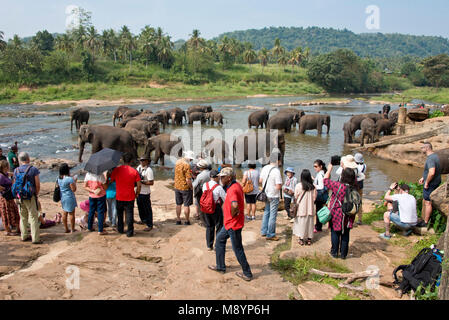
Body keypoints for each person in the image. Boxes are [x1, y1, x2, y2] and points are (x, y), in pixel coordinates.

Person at [208, 167, 253, 281]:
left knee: (237, 249)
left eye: (222, 177)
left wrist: (233, 215)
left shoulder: (232, 189)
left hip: (233, 224)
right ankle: (220, 266)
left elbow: (234, 205)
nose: (220, 179)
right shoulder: (235, 185)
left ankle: (247, 273)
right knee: (219, 240)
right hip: (229, 223)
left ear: (229, 178)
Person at [324, 163, 356, 259]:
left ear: (343, 176)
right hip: (349, 214)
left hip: (337, 213)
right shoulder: (354, 188)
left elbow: (325, 181)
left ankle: (334, 253)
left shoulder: (337, 186)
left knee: (335, 232)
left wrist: (329, 169)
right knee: (345, 233)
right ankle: (343, 254)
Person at [111, 153, 141, 237]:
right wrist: (137, 193)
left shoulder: (117, 170)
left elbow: (111, 180)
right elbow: (139, 185)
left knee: (120, 214)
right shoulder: (134, 171)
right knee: (129, 215)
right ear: (131, 161)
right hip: (130, 196)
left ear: (122, 160)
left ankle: (120, 230)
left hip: (119, 196)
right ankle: (129, 232)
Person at [15, 152, 41, 244]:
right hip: (30, 196)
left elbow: (15, 183)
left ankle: (24, 236)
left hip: (20, 197)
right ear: (28, 159)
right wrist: (36, 194)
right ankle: (35, 239)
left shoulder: (16, 170)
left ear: (20, 160)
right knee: (33, 217)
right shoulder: (33, 169)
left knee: (22, 217)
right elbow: (37, 184)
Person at [259, 153, 283, 241]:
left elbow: (260, 180)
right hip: (273, 195)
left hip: (266, 194)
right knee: (272, 215)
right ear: (277, 160)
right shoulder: (276, 171)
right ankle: (271, 234)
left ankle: (264, 231)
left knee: (266, 212)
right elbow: (278, 186)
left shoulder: (265, 168)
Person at [202, 170, 226, 250]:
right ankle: (217, 245)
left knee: (209, 226)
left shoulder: (205, 185)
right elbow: (225, 198)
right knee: (219, 226)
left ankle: (209, 245)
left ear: (210, 177)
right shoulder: (219, 187)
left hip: (206, 208)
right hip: (216, 207)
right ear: (216, 178)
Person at [418, 142, 441, 226]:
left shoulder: (430, 158)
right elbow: (429, 171)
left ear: (427, 148)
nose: (421, 149)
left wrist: (426, 182)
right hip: (435, 182)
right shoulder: (435, 156)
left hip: (431, 184)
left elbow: (432, 172)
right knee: (427, 201)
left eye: (422, 148)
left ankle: (425, 222)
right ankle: (424, 218)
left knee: (428, 202)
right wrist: (423, 177)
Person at [293, 169, 317, 246]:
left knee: (301, 223)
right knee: (310, 223)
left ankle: (301, 239)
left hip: (301, 208)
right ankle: (309, 239)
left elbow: (295, 196)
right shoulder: (313, 187)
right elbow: (314, 198)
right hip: (310, 208)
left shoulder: (299, 186)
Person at [84, 169, 108, 235]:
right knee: (100, 212)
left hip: (92, 196)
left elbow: (85, 186)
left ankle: (89, 227)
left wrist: (92, 190)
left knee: (91, 211)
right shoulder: (100, 175)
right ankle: (100, 230)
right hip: (101, 196)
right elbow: (105, 187)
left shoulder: (88, 175)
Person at [174, 151, 195, 225]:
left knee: (178, 204)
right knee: (186, 205)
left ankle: (178, 220)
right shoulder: (187, 165)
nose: (191, 161)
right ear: (189, 158)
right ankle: (187, 220)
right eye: (191, 159)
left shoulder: (177, 162)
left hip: (177, 186)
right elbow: (187, 179)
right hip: (185, 188)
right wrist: (191, 187)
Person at [0, 160, 20, 236]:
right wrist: (5, 189)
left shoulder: (5, 174)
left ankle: (16, 228)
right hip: (5, 198)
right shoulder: (1, 176)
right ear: (5, 167)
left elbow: (13, 174)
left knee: (14, 212)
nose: (9, 167)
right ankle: (8, 231)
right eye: (7, 166)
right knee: (7, 214)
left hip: (9, 197)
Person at [57, 163, 78, 233]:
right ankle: (72, 229)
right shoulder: (69, 179)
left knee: (64, 213)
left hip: (63, 197)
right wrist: (74, 181)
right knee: (71, 213)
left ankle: (66, 228)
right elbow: (74, 189)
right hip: (69, 197)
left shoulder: (59, 179)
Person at [136, 156, 154, 232]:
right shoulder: (138, 168)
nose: (142, 162)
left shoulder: (149, 170)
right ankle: (143, 220)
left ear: (147, 161)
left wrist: (142, 181)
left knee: (147, 209)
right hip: (138, 191)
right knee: (140, 207)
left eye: (143, 160)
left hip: (145, 192)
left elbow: (151, 182)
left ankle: (149, 224)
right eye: (141, 160)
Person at [192, 159, 211, 226]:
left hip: (201, 192)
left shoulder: (200, 175)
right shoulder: (210, 173)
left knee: (201, 207)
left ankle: (204, 222)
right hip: (209, 191)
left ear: (201, 167)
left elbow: (194, 185)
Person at [313, 159, 328, 233]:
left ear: (320, 166)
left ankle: (318, 227)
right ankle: (318, 226)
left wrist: (314, 185)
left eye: (316, 166)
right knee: (319, 211)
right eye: (314, 166)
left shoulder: (320, 174)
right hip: (322, 195)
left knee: (318, 211)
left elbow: (321, 186)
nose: (314, 168)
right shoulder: (323, 173)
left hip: (319, 196)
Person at [354, 153, 367, 225]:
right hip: (361, 185)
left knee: (353, 202)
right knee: (360, 202)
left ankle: (351, 219)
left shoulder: (355, 167)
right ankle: (360, 219)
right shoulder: (364, 166)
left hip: (354, 185)